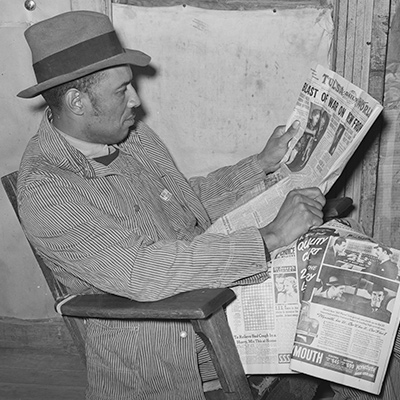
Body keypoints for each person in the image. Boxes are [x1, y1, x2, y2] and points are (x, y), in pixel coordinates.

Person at [16, 11, 326, 400]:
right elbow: (143, 272)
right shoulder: (50, 191)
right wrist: (270, 237)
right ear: (77, 102)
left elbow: (184, 200)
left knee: (350, 273)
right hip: (179, 336)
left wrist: (261, 164)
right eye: (121, 90)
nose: (136, 101)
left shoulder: (129, 137)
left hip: (212, 295)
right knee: (342, 311)